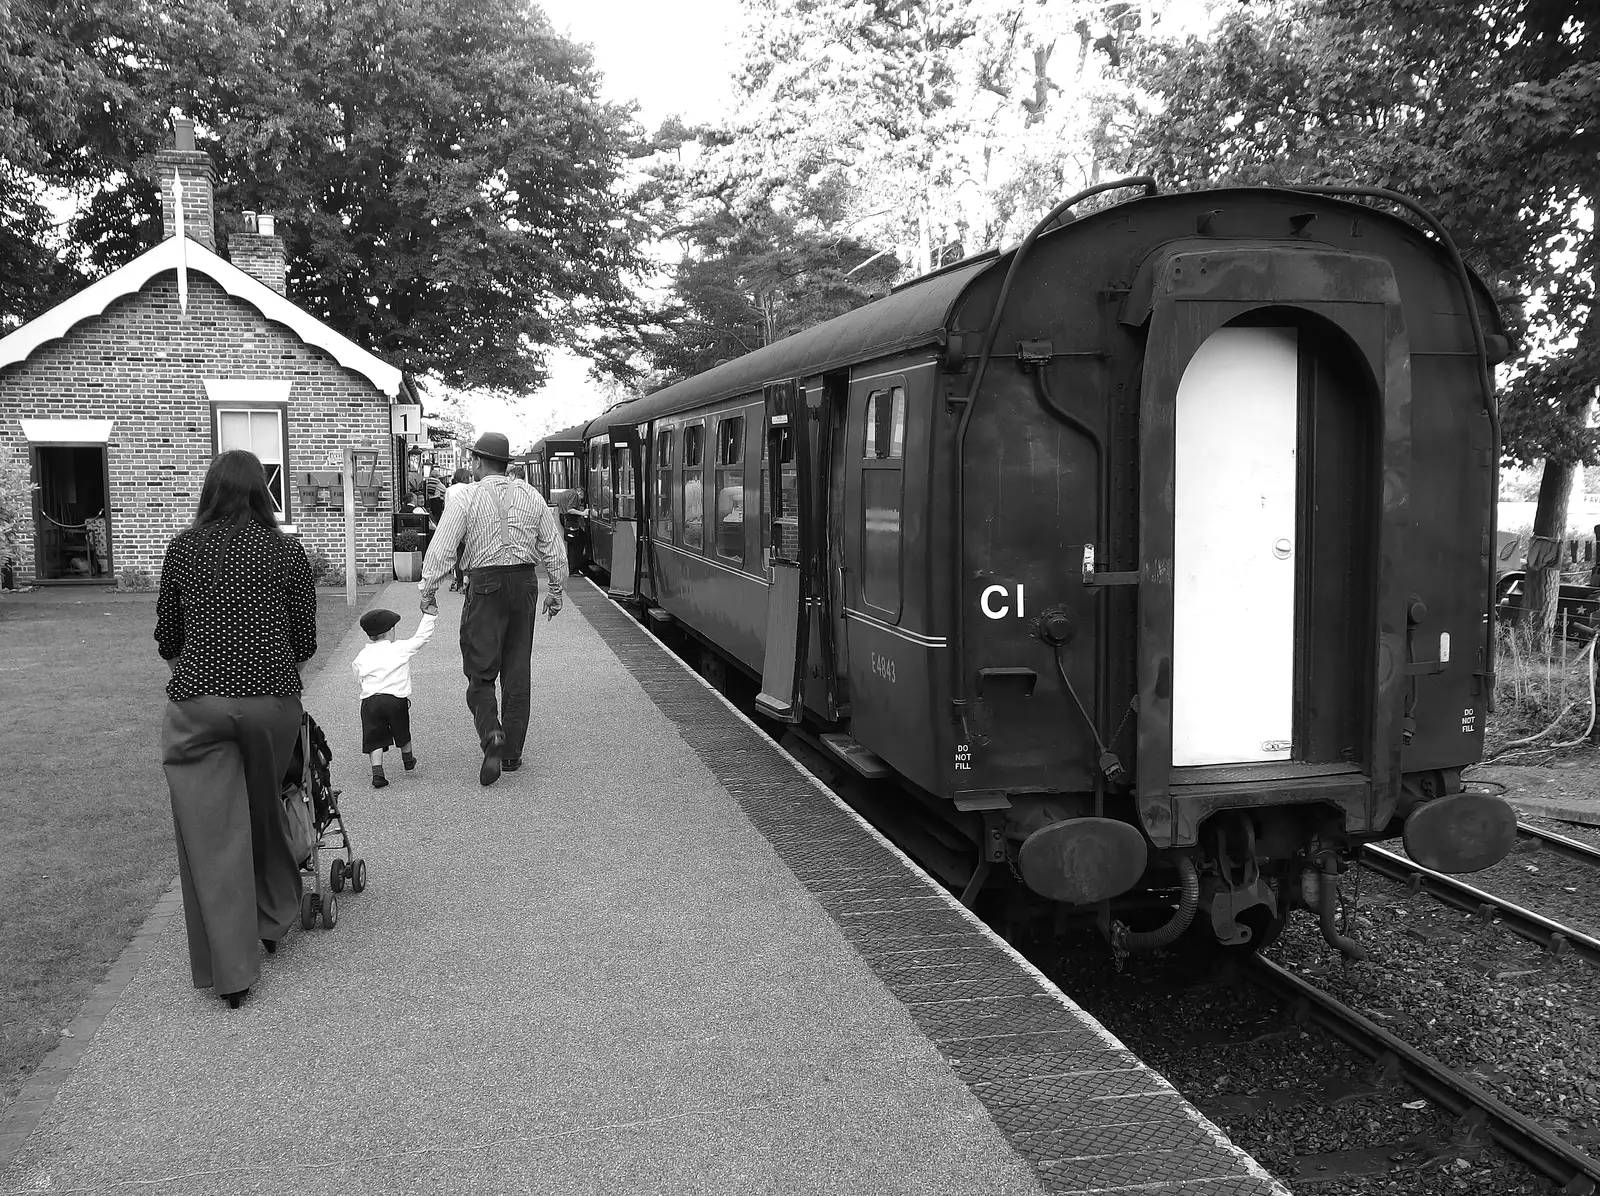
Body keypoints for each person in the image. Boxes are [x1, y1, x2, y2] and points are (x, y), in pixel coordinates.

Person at [154, 449, 316, 1009]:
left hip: (199, 704)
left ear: (211, 492)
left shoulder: (182, 548)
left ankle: (234, 972)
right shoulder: (285, 551)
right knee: (263, 807)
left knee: (213, 833)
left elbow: (168, 640)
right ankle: (273, 918)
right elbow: (305, 643)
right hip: (271, 704)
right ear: (261, 494)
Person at [419, 432, 567, 787]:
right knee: (517, 668)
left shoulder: (467, 498)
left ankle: (492, 735)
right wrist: (556, 590)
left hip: (485, 585)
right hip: (525, 583)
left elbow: (443, 548)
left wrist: (428, 589)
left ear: (478, 463)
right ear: (508, 464)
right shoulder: (532, 496)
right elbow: (554, 547)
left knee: (480, 671)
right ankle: (513, 753)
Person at [352, 603, 437, 788]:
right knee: (402, 729)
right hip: (395, 700)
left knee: (373, 735)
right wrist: (429, 617)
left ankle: (377, 773)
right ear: (390, 631)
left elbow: (359, 676)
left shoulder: (362, 655)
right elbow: (420, 639)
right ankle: (408, 761)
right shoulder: (399, 648)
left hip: (370, 701)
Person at [445, 468, 472, 591]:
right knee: (470, 553)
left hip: (455, 524)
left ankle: (460, 582)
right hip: (470, 524)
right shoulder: (472, 488)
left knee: (458, 554)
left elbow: (447, 509)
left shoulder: (450, 490)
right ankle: (468, 578)